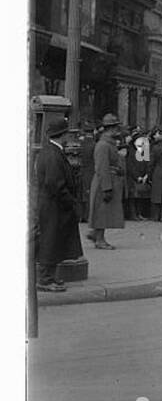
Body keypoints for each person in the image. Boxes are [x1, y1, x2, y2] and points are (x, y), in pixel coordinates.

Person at [34, 114, 82, 292]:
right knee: (50, 240)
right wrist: (70, 201)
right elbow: (55, 184)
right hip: (54, 205)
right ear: (63, 135)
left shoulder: (49, 151)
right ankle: (45, 279)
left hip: (51, 204)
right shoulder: (54, 155)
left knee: (53, 240)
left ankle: (50, 276)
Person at [89, 114, 126, 249]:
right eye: (116, 127)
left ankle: (96, 234)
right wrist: (107, 187)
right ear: (111, 128)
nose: (118, 130)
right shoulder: (103, 145)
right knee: (102, 211)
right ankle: (100, 240)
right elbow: (102, 167)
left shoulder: (107, 143)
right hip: (104, 182)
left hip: (108, 180)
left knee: (103, 211)